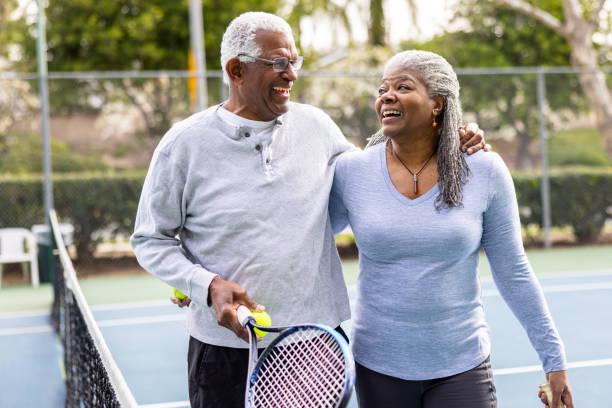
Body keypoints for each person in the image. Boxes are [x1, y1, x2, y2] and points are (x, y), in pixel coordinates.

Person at [131, 12, 485, 408]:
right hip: (224, 351)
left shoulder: (318, 127)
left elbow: (381, 177)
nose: (291, 75)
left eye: (294, 62)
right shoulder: (182, 145)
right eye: (278, 63)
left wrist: (450, 134)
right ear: (237, 70)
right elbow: (150, 239)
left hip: (314, 345)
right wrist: (204, 284)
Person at [329, 49, 574, 408]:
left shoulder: (484, 170)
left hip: (461, 366)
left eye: (403, 86)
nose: (387, 96)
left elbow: (513, 272)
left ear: (438, 104)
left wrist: (554, 360)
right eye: (382, 89)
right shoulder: (352, 172)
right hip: (378, 366)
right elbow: (310, 242)